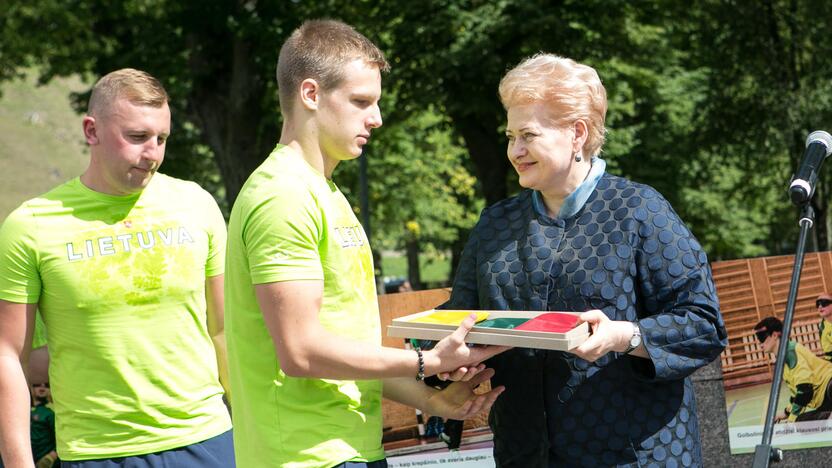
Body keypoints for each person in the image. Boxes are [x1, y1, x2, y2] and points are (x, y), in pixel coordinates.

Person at [225, 19, 507, 468]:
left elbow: (345, 349)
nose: (375, 118)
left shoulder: (325, 192)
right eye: (361, 102)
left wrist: (431, 401)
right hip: (302, 456)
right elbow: (301, 352)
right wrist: (426, 362)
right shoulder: (282, 196)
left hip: (347, 449)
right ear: (311, 95)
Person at [443, 53, 728, 467]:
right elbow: (460, 318)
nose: (515, 150)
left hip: (633, 455)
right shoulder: (495, 223)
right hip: (526, 453)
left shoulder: (639, 210)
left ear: (577, 133)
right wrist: (454, 360)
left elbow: (703, 324)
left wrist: (623, 336)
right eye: (510, 137)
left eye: (528, 135)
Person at [0, 69, 234, 467]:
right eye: (138, 137)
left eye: (162, 139)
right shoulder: (31, 226)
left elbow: (224, 330)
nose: (153, 154)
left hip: (207, 440)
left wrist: (250, 425)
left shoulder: (197, 204)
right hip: (98, 453)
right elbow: (8, 356)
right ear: (91, 131)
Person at [754, 316, 832, 423]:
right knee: (800, 422)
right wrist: (786, 413)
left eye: (761, 337)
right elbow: (797, 393)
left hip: (829, 387)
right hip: (825, 400)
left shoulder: (790, 353)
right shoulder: (783, 358)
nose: (759, 343)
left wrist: (790, 421)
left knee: (795, 422)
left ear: (775, 335)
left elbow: (805, 390)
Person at [30, 382, 58, 468]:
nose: (42, 388)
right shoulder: (23, 408)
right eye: (37, 384)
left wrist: (50, 457)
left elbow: (62, 437)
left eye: (46, 385)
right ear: (31, 388)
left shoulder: (52, 410)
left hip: (47, 463)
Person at [816, 294, 832, 361]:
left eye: (824, 303)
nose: (820, 306)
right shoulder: (823, 329)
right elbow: (829, 355)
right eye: (817, 304)